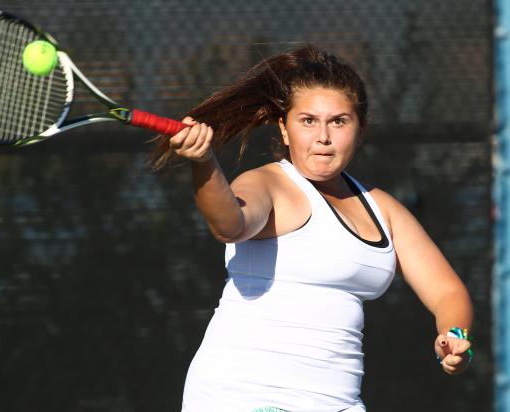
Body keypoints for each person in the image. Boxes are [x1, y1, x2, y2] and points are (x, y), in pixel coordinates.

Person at [150, 45, 474, 412]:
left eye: (338, 121)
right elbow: (229, 224)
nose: (323, 136)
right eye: (308, 121)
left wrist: (455, 337)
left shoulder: (382, 208)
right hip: (241, 396)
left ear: (359, 130)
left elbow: (447, 291)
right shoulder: (267, 185)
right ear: (284, 130)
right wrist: (204, 163)